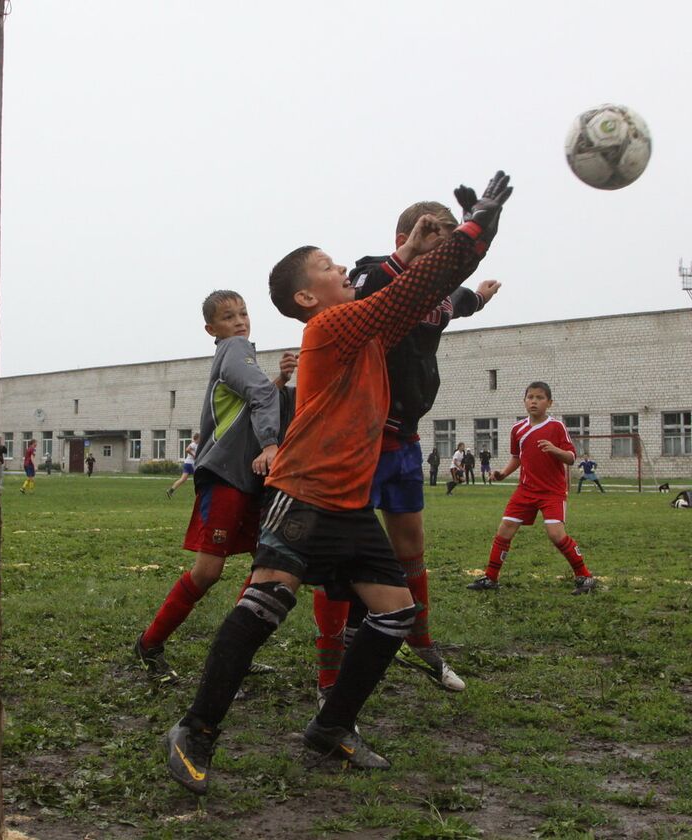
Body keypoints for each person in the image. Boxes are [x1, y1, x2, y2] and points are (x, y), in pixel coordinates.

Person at [164, 171, 512, 795]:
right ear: (306, 299)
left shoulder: (370, 328)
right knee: (262, 609)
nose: (343, 269)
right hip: (302, 494)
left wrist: (449, 245)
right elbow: (410, 286)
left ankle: (331, 729)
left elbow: (424, 294)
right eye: (328, 267)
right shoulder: (332, 327)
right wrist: (475, 226)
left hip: (349, 506)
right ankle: (195, 730)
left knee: (395, 613)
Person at [313, 198, 503, 700]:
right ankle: (329, 678)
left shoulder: (437, 292)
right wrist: (419, 252)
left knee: (411, 551)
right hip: (364, 441)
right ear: (407, 238)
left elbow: (455, 302)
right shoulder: (374, 274)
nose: (442, 260)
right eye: (434, 246)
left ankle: (421, 646)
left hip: (406, 442)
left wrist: (478, 297)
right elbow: (370, 288)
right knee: (336, 562)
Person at [135, 290, 297, 687]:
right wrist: (273, 443)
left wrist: (278, 379)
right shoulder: (233, 350)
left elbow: (249, 403)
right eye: (228, 316)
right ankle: (149, 644)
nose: (239, 321)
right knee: (208, 571)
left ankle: (234, 652)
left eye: (243, 313)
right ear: (212, 329)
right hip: (226, 476)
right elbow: (258, 398)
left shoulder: (244, 357)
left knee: (263, 566)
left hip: (248, 477)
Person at [467, 381, 596, 595]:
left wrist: (555, 450)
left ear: (549, 403)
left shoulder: (556, 427)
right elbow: (517, 458)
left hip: (552, 492)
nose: (534, 401)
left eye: (539, 397)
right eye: (530, 397)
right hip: (525, 490)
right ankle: (490, 578)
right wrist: (502, 474)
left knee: (555, 534)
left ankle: (585, 577)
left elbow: (571, 458)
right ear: (524, 401)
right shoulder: (518, 429)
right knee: (505, 529)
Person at [167, 433, 199, 498]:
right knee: (198, 479)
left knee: (183, 479)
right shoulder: (194, 444)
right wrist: (194, 455)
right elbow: (187, 449)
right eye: (200, 438)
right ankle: (198, 494)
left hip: (187, 463)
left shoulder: (197, 445)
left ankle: (171, 490)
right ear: (197, 438)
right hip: (191, 464)